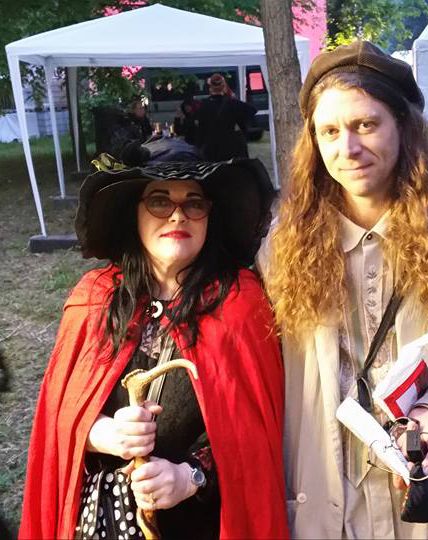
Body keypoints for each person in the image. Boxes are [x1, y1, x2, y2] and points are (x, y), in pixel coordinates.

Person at [261, 41, 428, 539]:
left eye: (366, 124)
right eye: (329, 131)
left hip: (424, 507)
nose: (348, 148)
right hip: (322, 504)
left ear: (403, 127)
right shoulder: (282, 248)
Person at [19, 159, 288, 540]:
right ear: (135, 214)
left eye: (194, 203)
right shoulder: (95, 299)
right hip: (104, 522)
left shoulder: (240, 302)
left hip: (204, 525)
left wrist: (189, 476)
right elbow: (59, 416)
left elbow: (252, 438)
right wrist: (101, 433)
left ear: (210, 216)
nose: (178, 216)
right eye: (160, 201)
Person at [196, 73, 257, 161]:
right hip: (230, 147)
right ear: (224, 86)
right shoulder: (232, 103)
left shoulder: (204, 105)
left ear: (210, 87)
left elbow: (201, 129)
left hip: (212, 149)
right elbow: (252, 110)